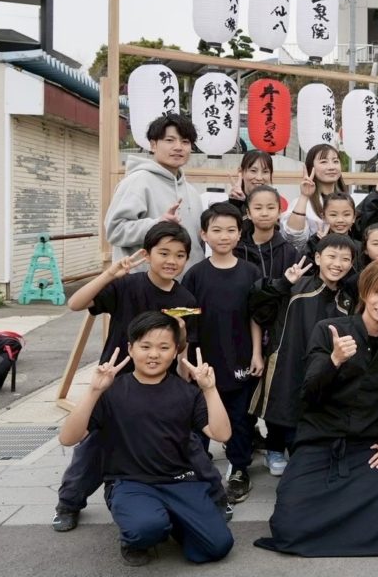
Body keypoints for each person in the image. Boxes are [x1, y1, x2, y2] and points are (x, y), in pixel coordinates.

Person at [52, 222, 221, 533]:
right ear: (147, 254)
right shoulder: (126, 285)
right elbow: (75, 304)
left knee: (187, 442)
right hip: (115, 381)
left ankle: (213, 496)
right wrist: (109, 275)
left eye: (180, 255)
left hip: (161, 388)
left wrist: (186, 378)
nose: (172, 260)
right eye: (164, 253)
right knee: (95, 444)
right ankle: (69, 503)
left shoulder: (185, 298)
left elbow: (182, 353)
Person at [254, 261, 378, 557]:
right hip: (316, 443)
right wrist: (334, 361)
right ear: (364, 292)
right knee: (289, 526)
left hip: (365, 449)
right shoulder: (329, 330)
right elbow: (308, 393)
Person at [58, 312, 234, 566]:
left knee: (218, 546)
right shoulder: (113, 391)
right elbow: (68, 438)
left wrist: (209, 389)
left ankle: (171, 522)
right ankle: (137, 534)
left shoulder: (187, 393)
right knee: (145, 529)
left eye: (164, 347)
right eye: (145, 346)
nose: (154, 354)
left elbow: (222, 434)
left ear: (175, 352)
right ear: (131, 348)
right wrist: (94, 391)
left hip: (179, 482)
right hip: (130, 484)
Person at [250, 234, 358, 475]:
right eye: (331, 256)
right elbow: (258, 308)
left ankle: (297, 450)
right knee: (282, 400)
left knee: (310, 405)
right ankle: (274, 448)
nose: (337, 264)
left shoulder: (346, 299)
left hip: (322, 362)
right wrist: (283, 284)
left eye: (345, 259)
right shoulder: (297, 286)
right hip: (288, 355)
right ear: (318, 257)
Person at [181, 203, 264, 505]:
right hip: (204, 362)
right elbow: (185, 324)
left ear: (240, 234)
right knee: (200, 416)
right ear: (203, 234)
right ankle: (199, 467)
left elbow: (256, 316)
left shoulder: (250, 272)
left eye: (230, 230)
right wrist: (184, 362)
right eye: (216, 230)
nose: (223, 236)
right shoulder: (195, 275)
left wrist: (257, 353)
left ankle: (240, 469)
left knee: (240, 418)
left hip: (240, 357)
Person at [104, 113, 205, 268]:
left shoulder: (191, 192)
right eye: (170, 140)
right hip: (144, 286)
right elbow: (115, 231)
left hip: (185, 287)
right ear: (153, 145)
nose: (178, 147)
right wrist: (157, 224)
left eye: (185, 141)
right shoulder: (138, 181)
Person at [281, 143, 348, 249]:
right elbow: (292, 238)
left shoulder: (348, 200)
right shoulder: (303, 203)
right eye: (324, 162)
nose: (331, 167)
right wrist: (304, 196)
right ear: (311, 167)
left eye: (335, 161)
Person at [235, 185, 298, 282]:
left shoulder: (289, 252)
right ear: (248, 213)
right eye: (258, 208)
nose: (264, 213)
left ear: (279, 212)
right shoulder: (238, 250)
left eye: (271, 207)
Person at [227, 150, 275, 218]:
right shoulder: (227, 207)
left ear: (271, 175)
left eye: (265, 172)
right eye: (253, 171)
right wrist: (235, 204)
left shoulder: (275, 205)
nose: (259, 178)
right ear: (241, 172)